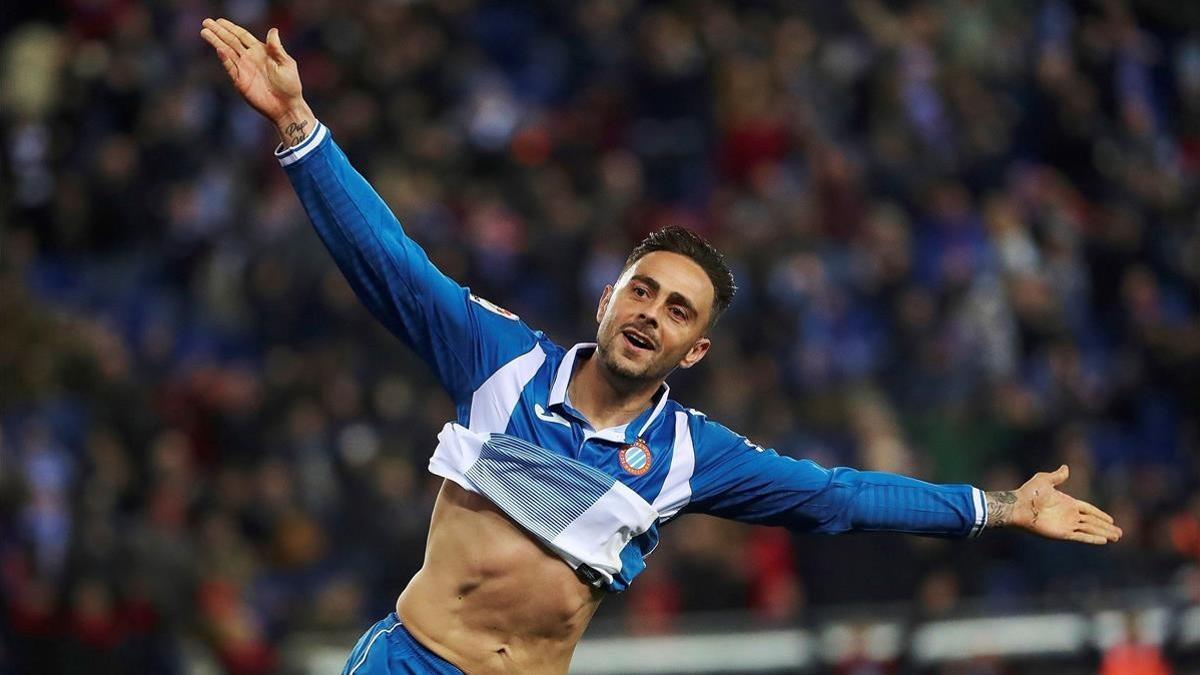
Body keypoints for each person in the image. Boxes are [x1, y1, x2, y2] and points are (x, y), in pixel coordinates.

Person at [198, 18, 1123, 675]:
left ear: (696, 350)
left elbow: (838, 498)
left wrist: (1000, 506)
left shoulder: (690, 456)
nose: (651, 312)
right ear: (607, 300)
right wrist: (297, 127)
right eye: (641, 290)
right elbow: (390, 265)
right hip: (408, 663)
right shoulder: (501, 362)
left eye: (678, 309)